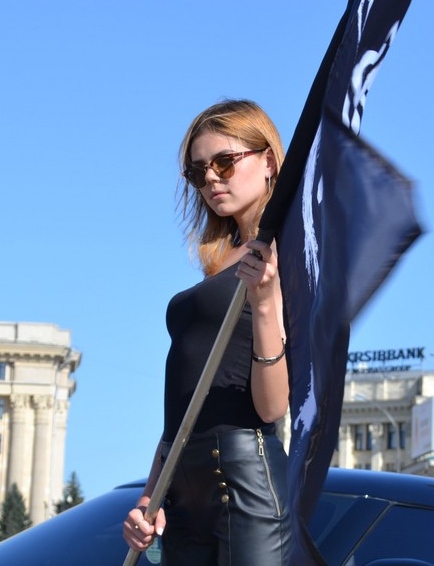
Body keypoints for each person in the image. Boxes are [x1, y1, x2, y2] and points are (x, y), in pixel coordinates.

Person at [123, 99, 291, 565]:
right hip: (181, 489)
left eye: (224, 162)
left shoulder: (288, 254)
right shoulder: (224, 261)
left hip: (242, 478)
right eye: (198, 172)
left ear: (268, 161)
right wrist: (150, 495)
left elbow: (272, 407)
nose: (212, 179)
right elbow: (184, 400)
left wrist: (264, 303)